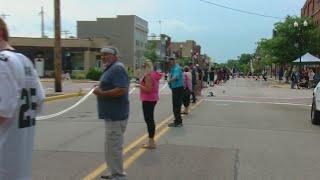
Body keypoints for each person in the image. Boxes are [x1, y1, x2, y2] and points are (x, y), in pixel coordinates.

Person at [0, 18, 45, 180]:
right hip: (20, 160)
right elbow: (39, 102)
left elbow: (3, 112)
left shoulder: (2, 63)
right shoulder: (24, 60)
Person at [93, 47, 129, 180]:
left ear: (115, 56)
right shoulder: (110, 68)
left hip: (116, 115)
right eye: (101, 55)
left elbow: (122, 89)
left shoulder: (117, 68)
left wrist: (101, 93)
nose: (103, 57)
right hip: (110, 116)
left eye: (106, 55)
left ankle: (118, 174)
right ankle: (111, 171)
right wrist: (100, 88)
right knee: (110, 146)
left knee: (114, 147)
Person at [136, 60, 162, 149]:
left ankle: (151, 142)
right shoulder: (154, 74)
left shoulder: (148, 76)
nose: (141, 69)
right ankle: (151, 141)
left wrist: (139, 86)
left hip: (148, 99)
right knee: (150, 119)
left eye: (142, 67)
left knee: (149, 120)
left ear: (146, 67)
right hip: (152, 98)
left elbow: (148, 89)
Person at [168, 57, 184, 127]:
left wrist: (169, 81)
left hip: (178, 88)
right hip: (175, 88)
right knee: (176, 105)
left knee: (176, 105)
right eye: (170, 62)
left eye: (172, 62)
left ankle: (178, 122)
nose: (170, 63)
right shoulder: (173, 68)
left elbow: (176, 77)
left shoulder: (177, 68)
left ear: (174, 61)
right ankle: (177, 120)